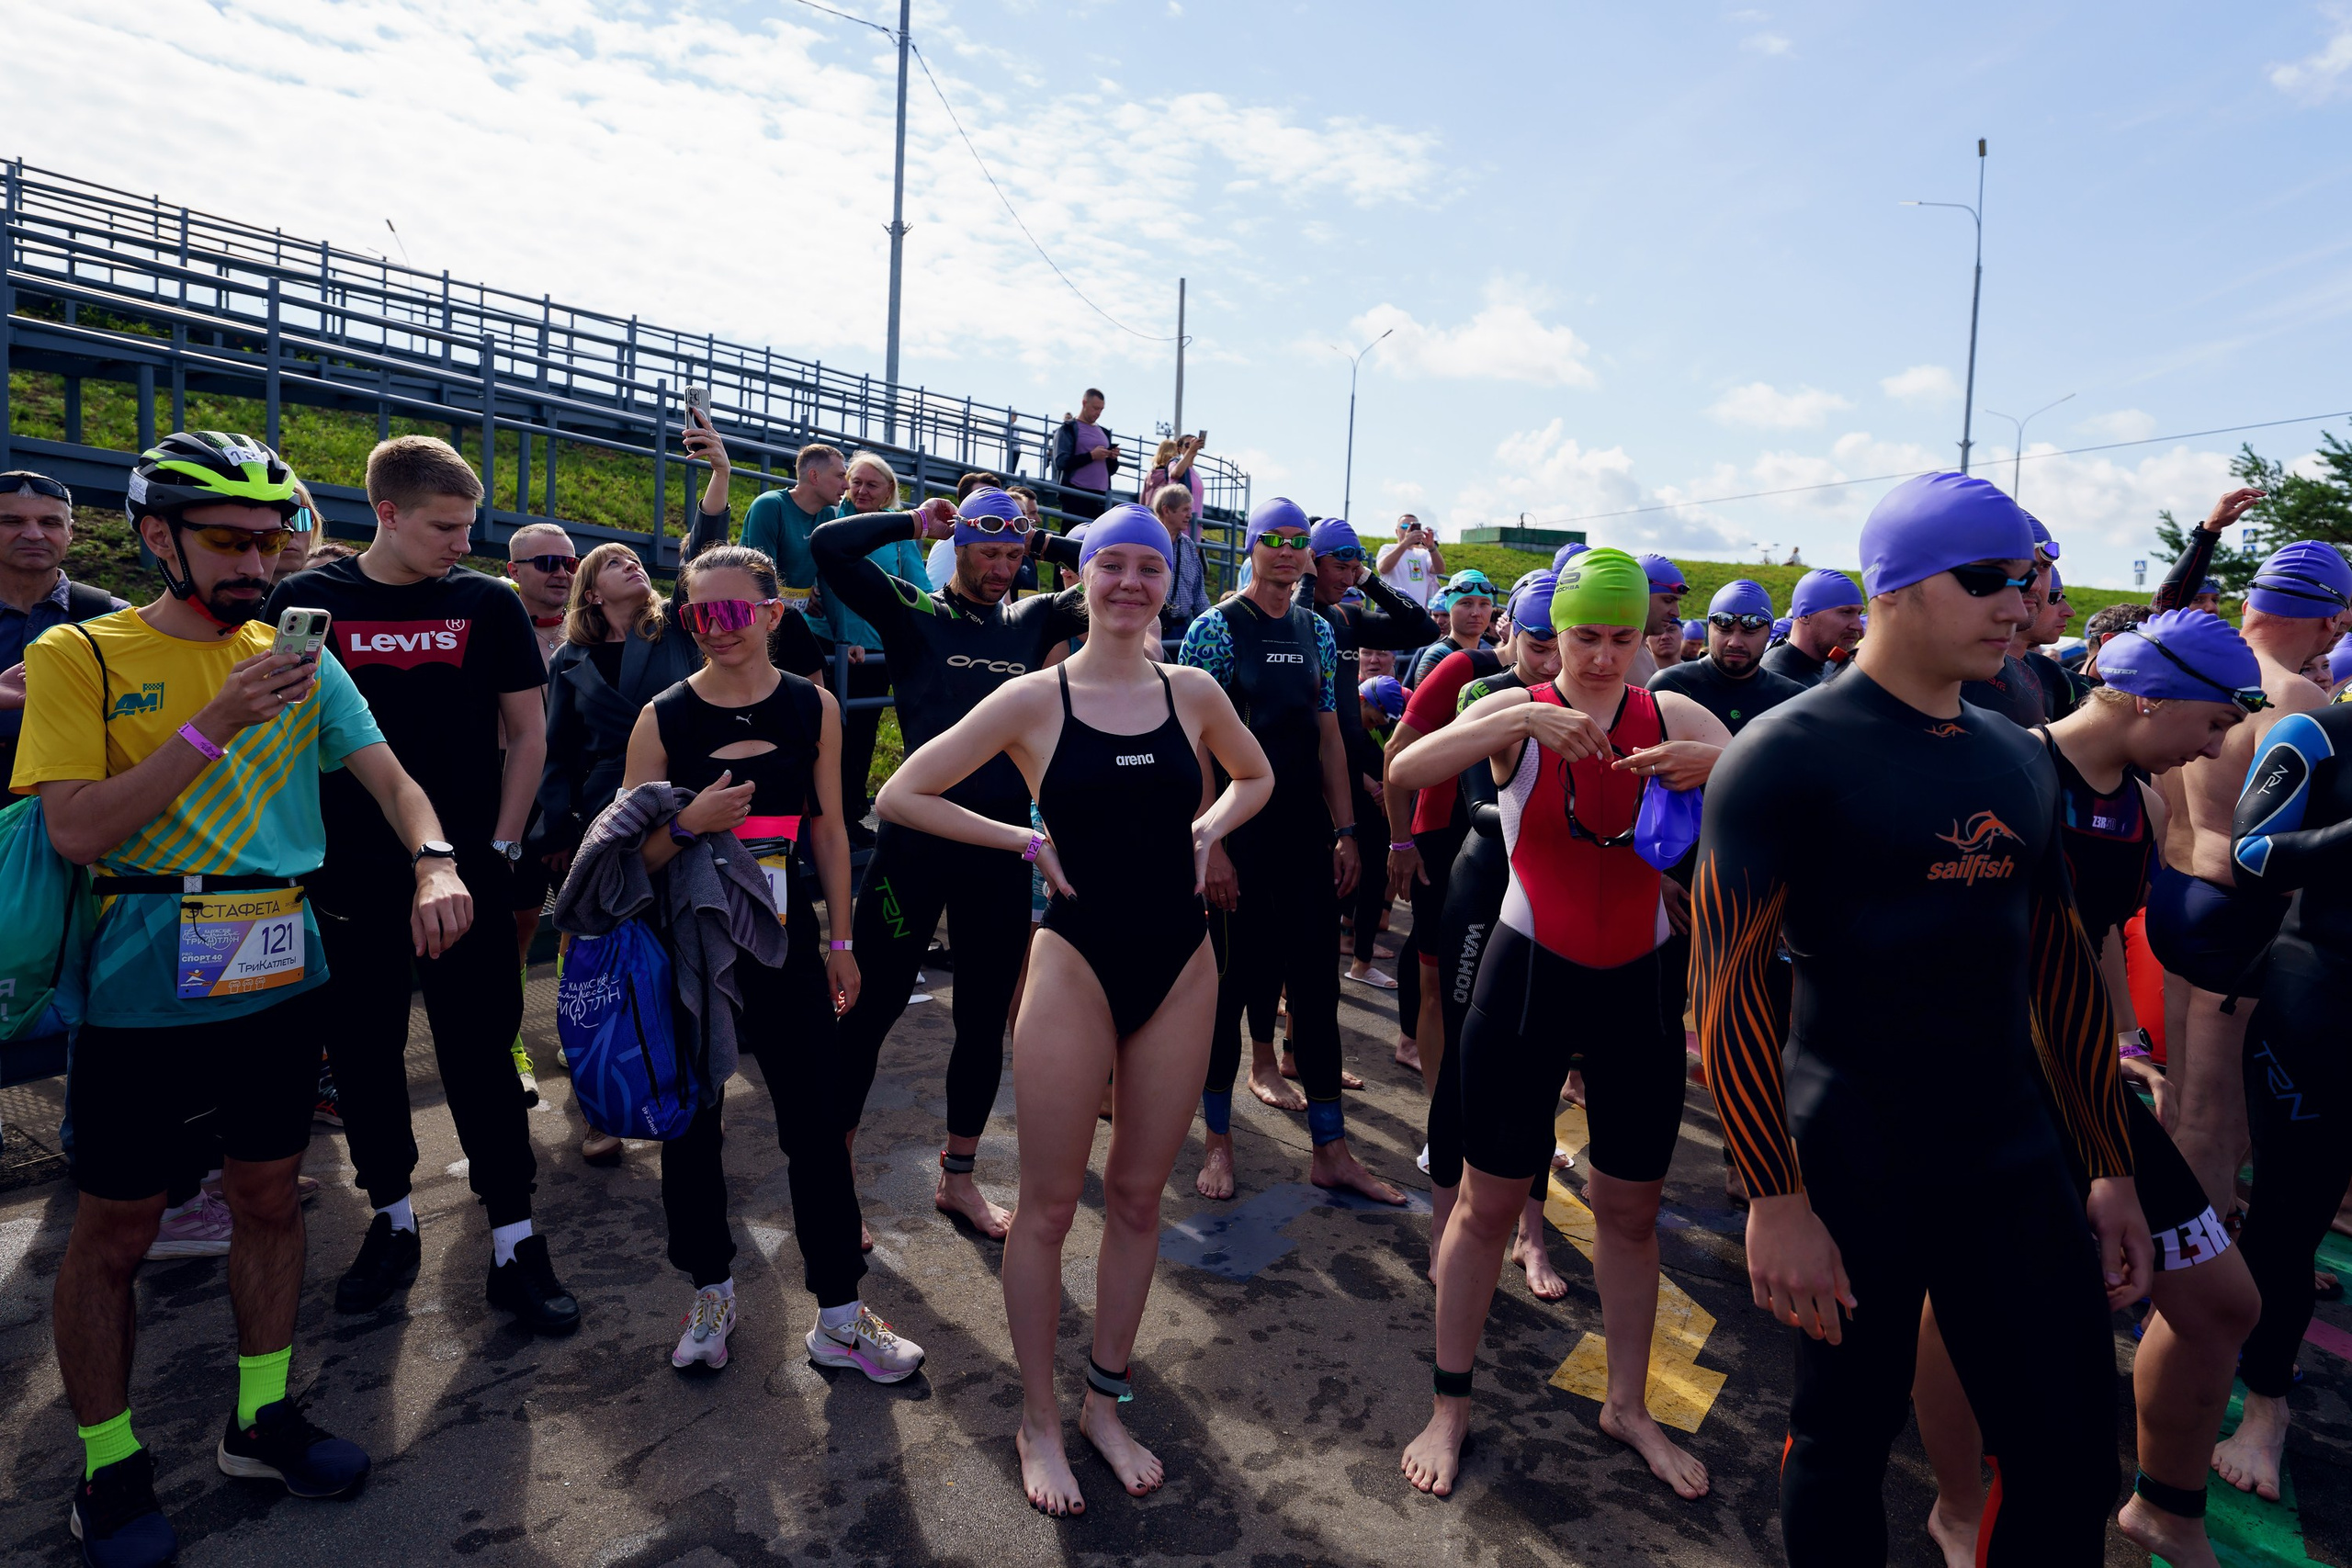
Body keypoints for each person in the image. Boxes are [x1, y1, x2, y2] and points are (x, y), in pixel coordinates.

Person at [18, 431, 470, 1564]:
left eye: (274, 543)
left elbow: (392, 779)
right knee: (118, 1227)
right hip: (137, 966)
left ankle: (259, 1419)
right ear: (156, 536)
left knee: (273, 1199)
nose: (255, 566)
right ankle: (109, 1463)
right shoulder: (87, 653)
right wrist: (213, 724)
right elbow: (76, 827)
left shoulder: (302, 659)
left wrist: (436, 857)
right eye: (229, 541)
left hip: (278, 961)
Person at [1690, 470, 2146, 1564]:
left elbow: (2061, 975)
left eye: (2029, 579)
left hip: (2008, 1152)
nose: (2016, 603)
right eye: (1987, 578)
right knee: (1843, 1439)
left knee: (2070, 1452)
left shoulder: (2017, 756)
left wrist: (2109, 1162)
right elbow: (1728, 991)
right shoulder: (1786, 754)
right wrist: (1774, 1195)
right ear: (1891, 588)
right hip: (1854, 1154)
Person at [876, 505, 1272, 1517]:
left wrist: (1207, 826)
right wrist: (1016, 840)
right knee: (1049, 1208)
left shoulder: (1193, 690)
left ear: (1168, 582)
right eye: (1114, 566)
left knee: (1140, 1198)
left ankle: (1106, 1398)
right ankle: (1038, 1420)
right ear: (1083, 576)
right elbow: (904, 795)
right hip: (1076, 959)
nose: (1132, 584)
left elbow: (1255, 775)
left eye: (1151, 567)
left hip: (1180, 961)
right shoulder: (1032, 697)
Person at [1905, 609, 2264, 1568]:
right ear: (2149, 695)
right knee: (1957, 1306)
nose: (2218, 744)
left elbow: (2098, 936)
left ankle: (2165, 1510)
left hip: (2083, 1083)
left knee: (2223, 1304)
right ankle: (1953, 1501)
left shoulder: (2140, 805)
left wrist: (2120, 1036)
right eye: (2214, 719)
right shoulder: (2004, 769)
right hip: (1986, 1088)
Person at [1389, 548, 1732, 1500]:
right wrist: (1516, 717)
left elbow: (1799, 776)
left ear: (1650, 636)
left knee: (1629, 1212)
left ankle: (1627, 1405)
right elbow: (1407, 764)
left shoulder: (1673, 715)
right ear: (1556, 634)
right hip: (1528, 974)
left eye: (1623, 637)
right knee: (1485, 1204)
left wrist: (1719, 763)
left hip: (1639, 987)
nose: (1600, 658)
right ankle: (1448, 1405)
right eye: (1584, 637)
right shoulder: (1522, 709)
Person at [264, 436, 578, 1335]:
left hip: (465, 872)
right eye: (444, 526)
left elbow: (528, 733)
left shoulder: (486, 602)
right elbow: (279, 728)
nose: (461, 543)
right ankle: (392, 1224)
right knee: (362, 1059)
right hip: (346, 878)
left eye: (469, 525)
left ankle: (515, 1243)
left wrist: (502, 847)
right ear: (387, 513)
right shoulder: (306, 600)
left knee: (482, 1053)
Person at [593, 544, 922, 1382]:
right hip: (690, 951)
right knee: (693, 1126)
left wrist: (843, 942)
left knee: (815, 1123)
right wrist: (690, 821)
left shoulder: (815, 708)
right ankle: (710, 1291)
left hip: (786, 943)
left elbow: (831, 830)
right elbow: (622, 861)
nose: (716, 628)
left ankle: (841, 1316)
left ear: (775, 614)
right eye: (700, 614)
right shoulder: (663, 716)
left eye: (734, 611)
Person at [813, 487, 1085, 1238]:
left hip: (1000, 849)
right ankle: (836, 1176)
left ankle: (957, 1179)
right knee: (870, 1008)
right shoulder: (914, 611)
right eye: (988, 550)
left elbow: (1112, 563)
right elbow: (828, 550)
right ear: (958, 546)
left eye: (1012, 552)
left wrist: (1045, 543)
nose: (1001, 566)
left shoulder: (1032, 620)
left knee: (981, 1018)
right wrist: (910, 520)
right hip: (915, 846)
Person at [1180, 497, 1397, 1205]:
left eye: (1295, 541)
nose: (1284, 550)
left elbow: (1330, 737)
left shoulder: (1319, 632)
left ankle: (1332, 1151)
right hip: (1240, 839)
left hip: (1304, 837)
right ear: (1250, 547)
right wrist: (1209, 841)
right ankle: (1219, 1142)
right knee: (1227, 996)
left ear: (1307, 553)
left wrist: (1345, 829)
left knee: (1316, 992)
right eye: (1270, 539)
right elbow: (1199, 750)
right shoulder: (1215, 631)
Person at [2143, 500, 2341, 1213]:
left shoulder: (2190, 654)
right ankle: (2193, 1295)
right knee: (2216, 1124)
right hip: (2239, 919)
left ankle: (2168, 1235)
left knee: (2181, 1093)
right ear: (2330, 620)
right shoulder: (2297, 702)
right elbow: (2294, 849)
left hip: (2172, 896)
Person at [2217, 650, 2352, 1505]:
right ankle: (2264, 1406)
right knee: (2290, 1218)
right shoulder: (2318, 730)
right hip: (2323, 998)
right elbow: (2251, 853)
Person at [1417, 571, 1569, 1302]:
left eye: (1558, 644)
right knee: (1464, 1071)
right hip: (1483, 889)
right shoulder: (1491, 698)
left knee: (1538, 1073)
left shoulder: (1596, 703)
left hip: (1549, 901)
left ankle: (1531, 1234)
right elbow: (1481, 804)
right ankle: (1445, 1228)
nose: (1551, 660)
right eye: (1538, 643)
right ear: (1512, 632)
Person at [1304, 517, 1438, 1012]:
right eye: (1338, 562)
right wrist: (1303, 578)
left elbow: (1420, 627)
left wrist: (1367, 579)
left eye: (1353, 562)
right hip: (1300, 777)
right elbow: (1301, 624)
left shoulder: (1345, 620)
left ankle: (1310, 1017)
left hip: (1345, 769)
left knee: (1329, 905)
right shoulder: (1286, 617)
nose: (1347, 572)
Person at [0, 471, 123, 781]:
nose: (33, 534)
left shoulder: (113, 619)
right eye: (12, 522)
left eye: (49, 523)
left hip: (81, 806)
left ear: (70, 533)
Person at [1646, 579, 1806, 736]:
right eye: (1724, 630)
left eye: (1749, 632)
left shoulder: (1793, 698)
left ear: (1769, 633)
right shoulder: (1670, 686)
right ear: (1709, 628)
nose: (1735, 643)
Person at [1759, 568, 1861, 688]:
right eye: (1846, 612)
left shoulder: (1831, 666)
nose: (1858, 626)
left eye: (1859, 614)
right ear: (1805, 616)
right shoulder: (1774, 677)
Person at [1403, 571, 1497, 686]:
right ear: (1450, 608)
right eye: (1466, 603)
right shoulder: (1438, 656)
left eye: (1484, 604)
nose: (1476, 613)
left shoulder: (1490, 655)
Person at [505, 522, 577, 665]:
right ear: (515, 571)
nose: (562, 574)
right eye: (548, 563)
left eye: (570, 564)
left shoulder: (591, 633)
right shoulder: (491, 632)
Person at [1151, 481, 1212, 637]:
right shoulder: (1147, 541)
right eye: (1185, 510)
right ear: (1166, 510)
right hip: (1149, 627)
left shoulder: (1189, 546)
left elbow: (1199, 592)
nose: (1189, 516)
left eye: (1190, 510)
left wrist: (1209, 625)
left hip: (1181, 628)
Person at [1049, 389, 1119, 521]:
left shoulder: (1104, 432)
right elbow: (1061, 462)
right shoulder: (1067, 428)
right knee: (1073, 537)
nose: (1098, 413)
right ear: (1084, 403)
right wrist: (1091, 456)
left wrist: (1112, 457)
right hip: (1076, 494)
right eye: (1095, 408)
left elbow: (1111, 470)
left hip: (1101, 495)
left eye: (1101, 409)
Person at [1623, 553, 1689, 684]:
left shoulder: (1641, 650)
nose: (1676, 613)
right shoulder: (1620, 655)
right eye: (1668, 600)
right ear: (1641, 595)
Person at [1377, 514, 1446, 607]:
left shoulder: (1423, 553)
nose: (1408, 530)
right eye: (1405, 527)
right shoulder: (1388, 548)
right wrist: (1406, 543)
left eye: (1413, 527)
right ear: (1397, 531)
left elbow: (1440, 569)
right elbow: (1383, 569)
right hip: (1390, 611)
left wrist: (1431, 547)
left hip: (1417, 613)